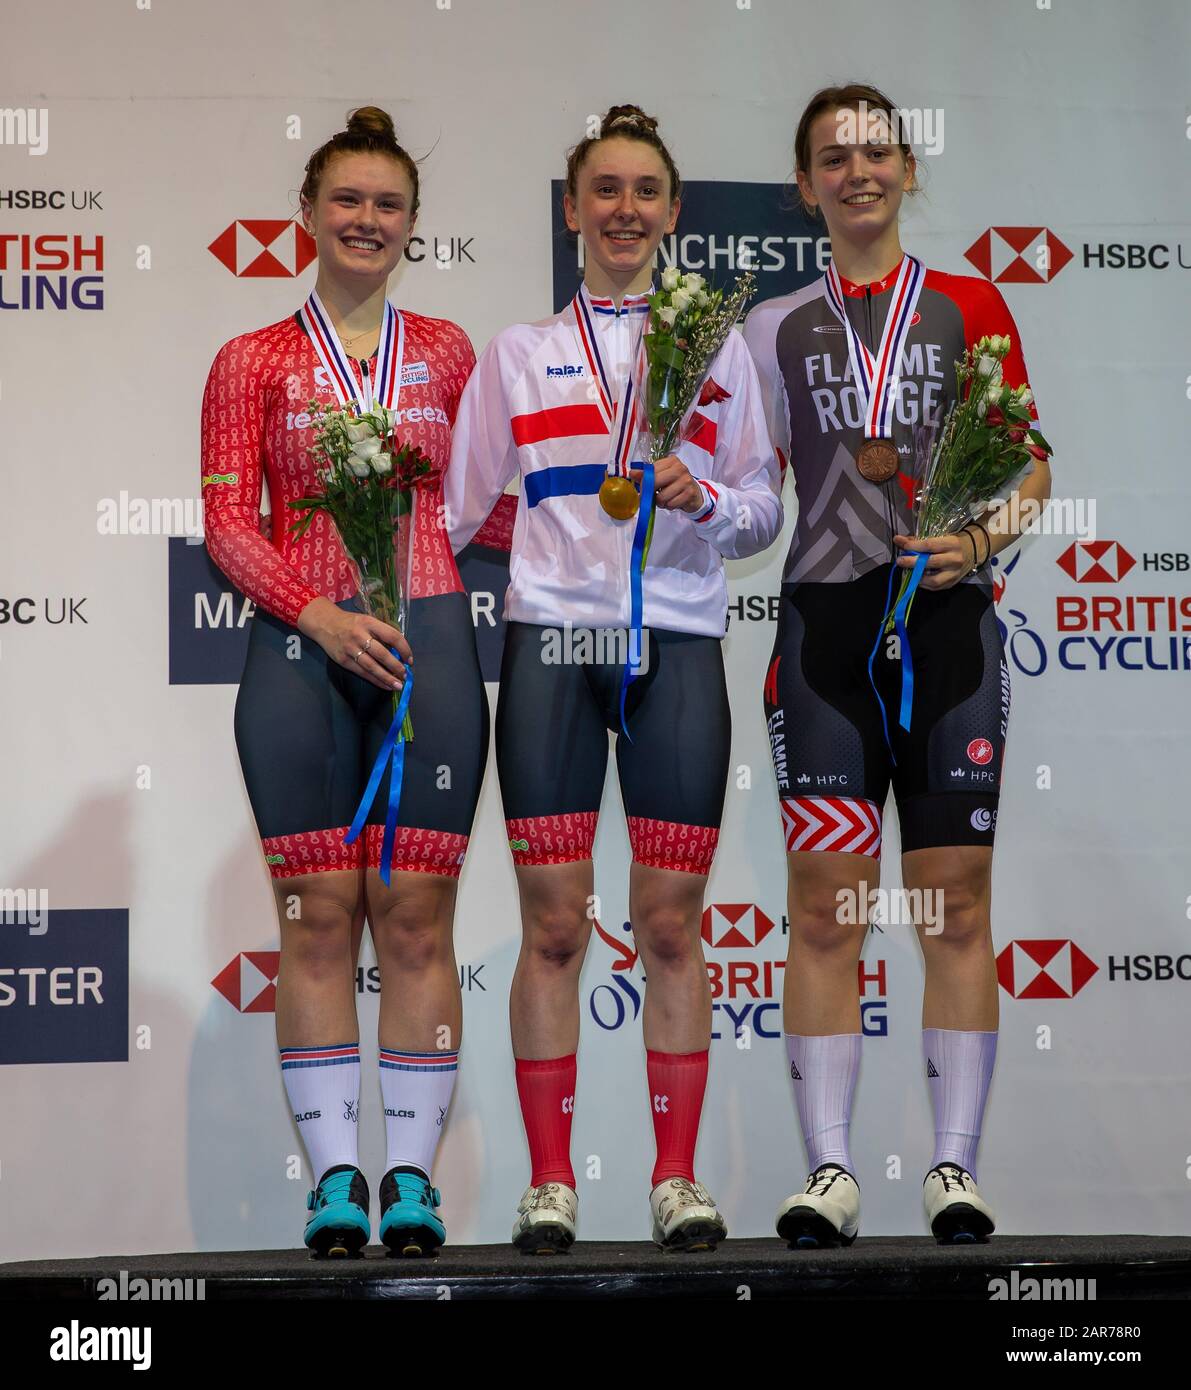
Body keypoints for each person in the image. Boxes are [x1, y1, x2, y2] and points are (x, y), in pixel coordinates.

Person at [446, 104, 783, 1254]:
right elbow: (451, 511)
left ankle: (676, 1181)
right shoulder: (520, 353)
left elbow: (761, 512)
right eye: (606, 190)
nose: (625, 209)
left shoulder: (719, 348)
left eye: (647, 191)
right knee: (551, 928)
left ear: (674, 213)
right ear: (572, 209)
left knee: (672, 923)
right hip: (555, 647)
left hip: (678, 641)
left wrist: (708, 501)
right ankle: (551, 1186)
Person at [743, 83, 1052, 1247]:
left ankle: (953, 1172)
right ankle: (828, 1169)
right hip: (825, 636)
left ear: (908, 173)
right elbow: (740, 489)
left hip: (948, 626)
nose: (859, 171)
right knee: (826, 908)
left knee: (956, 905)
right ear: (807, 181)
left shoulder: (972, 302)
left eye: (878, 152)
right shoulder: (769, 325)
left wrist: (976, 542)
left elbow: (1030, 468)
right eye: (835, 156)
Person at [201, 106, 494, 1257]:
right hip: (298, 645)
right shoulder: (252, 361)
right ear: (309, 215)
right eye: (348, 201)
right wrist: (319, 614)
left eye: (388, 204)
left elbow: (487, 507)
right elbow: (227, 523)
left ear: (413, 225)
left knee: (418, 916)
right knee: (316, 919)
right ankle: (334, 1182)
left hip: (429, 637)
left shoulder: (453, 353)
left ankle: (410, 1180)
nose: (367, 220)